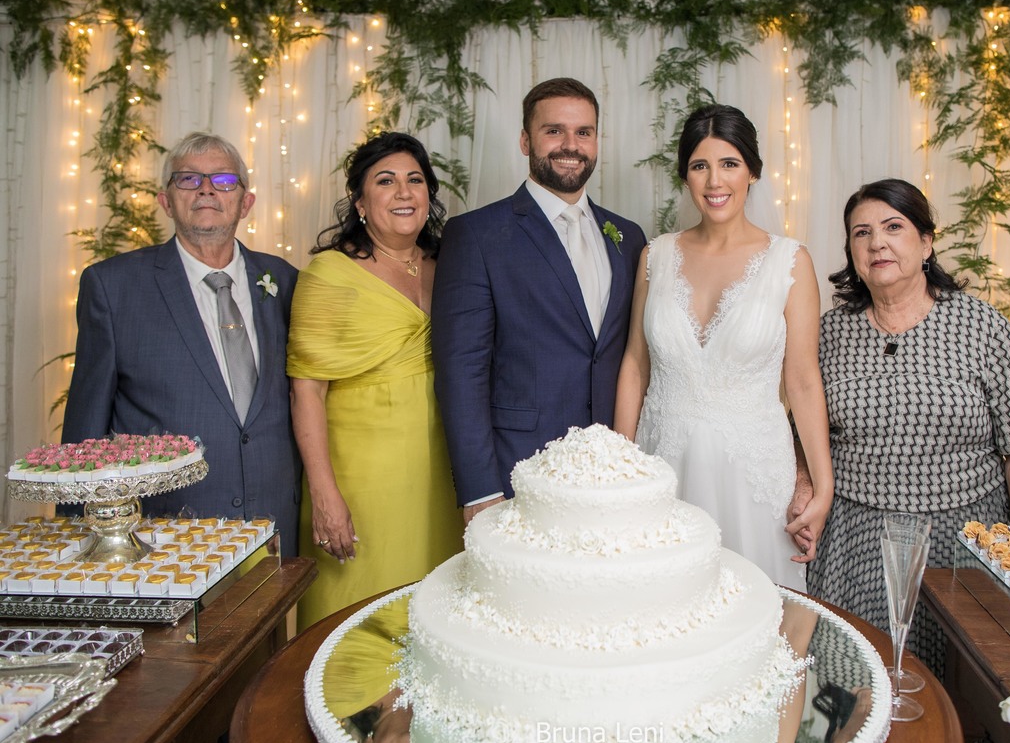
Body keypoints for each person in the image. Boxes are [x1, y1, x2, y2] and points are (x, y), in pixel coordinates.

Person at [805, 177, 1010, 669]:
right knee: (857, 681)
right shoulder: (828, 333)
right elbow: (801, 433)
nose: (877, 243)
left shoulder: (983, 327)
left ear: (926, 241)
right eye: (861, 232)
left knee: (957, 691)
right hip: (854, 541)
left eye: (894, 227)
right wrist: (802, 485)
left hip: (961, 540)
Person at [614, 104, 833, 588]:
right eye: (700, 166)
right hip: (663, 464)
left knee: (754, 614)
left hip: (754, 475)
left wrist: (823, 485)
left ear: (753, 171)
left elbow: (801, 380)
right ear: (686, 176)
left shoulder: (789, 262)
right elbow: (635, 363)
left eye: (729, 164)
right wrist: (620, 462)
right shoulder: (656, 255)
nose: (715, 181)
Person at [61, 131, 301, 555]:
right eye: (188, 179)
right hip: (165, 532)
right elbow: (86, 432)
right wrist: (75, 538)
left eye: (224, 181)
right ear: (165, 200)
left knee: (273, 625)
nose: (207, 189)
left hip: (274, 522)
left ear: (246, 202)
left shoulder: (284, 280)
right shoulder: (113, 286)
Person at [432, 77, 648, 523]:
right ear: (526, 140)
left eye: (583, 132)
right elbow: (461, 372)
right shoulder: (475, 235)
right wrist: (480, 489)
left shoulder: (628, 237)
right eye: (554, 131)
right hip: (519, 470)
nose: (571, 145)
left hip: (612, 471)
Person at [288, 132, 462, 630]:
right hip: (361, 480)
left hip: (440, 472)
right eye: (386, 182)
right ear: (361, 203)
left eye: (415, 180)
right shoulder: (330, 274)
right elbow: (306, 389)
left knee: (435, 616)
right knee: (358, 620)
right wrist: (325, 496)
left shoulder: (451, 266)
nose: (404, 192)